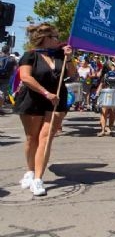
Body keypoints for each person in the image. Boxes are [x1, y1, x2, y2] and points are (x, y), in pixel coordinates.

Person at [14, 23, 77, 196]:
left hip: (56, 100)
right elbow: (25, 77)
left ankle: (38, 179)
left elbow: (72, 74)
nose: (58, 40)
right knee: (32, 138)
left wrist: (69, 58)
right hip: (33, 99)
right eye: (56, 37)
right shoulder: (30, 55)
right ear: (46, 39)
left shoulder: (60, 55)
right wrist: (45, 93)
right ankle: (30, 171)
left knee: (46, 138)